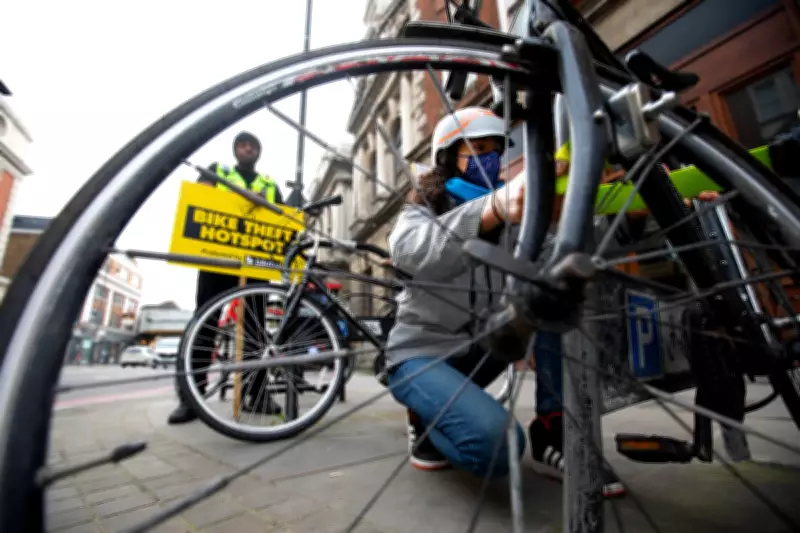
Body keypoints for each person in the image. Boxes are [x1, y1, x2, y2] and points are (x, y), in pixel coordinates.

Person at [385, 106, 717, 494]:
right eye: (478, 149)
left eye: (496, 149)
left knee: (553, 287)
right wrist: (494, 207)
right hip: (421, 355)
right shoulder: (420, 212)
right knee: (497, 449)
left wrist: (640, 215)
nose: (489, 159)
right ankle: (425, 421)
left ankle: (553, 431)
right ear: (446, 157)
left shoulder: (516, 217)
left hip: (486, 349)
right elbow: (412, 252)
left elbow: (567, 249)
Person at [168, 131, 285, 425]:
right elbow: (201, 198)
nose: (248, 149)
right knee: (205, 324)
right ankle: (190, 398)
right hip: (218, 260)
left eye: (253, 146)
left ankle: (256, 394)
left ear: (259, 152)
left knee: (256, 331)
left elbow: (282, 217)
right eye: (242, 145)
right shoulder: (217, 172)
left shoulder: (269, 184)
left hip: (255, 266)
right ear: (235, 151)